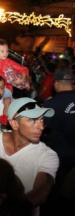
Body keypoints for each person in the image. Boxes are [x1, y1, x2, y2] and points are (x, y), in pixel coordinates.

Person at [0, 97, 59, 216]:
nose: (41, 127)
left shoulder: (47, 155)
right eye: (32, 120)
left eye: (42, 120)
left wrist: (9, 211)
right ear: (14, 123)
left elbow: (42, 191)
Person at [43, 69, 75, 215]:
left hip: (58, 152)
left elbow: (43, 126)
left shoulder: (52, 103)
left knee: (54, 186)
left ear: (56, 83)